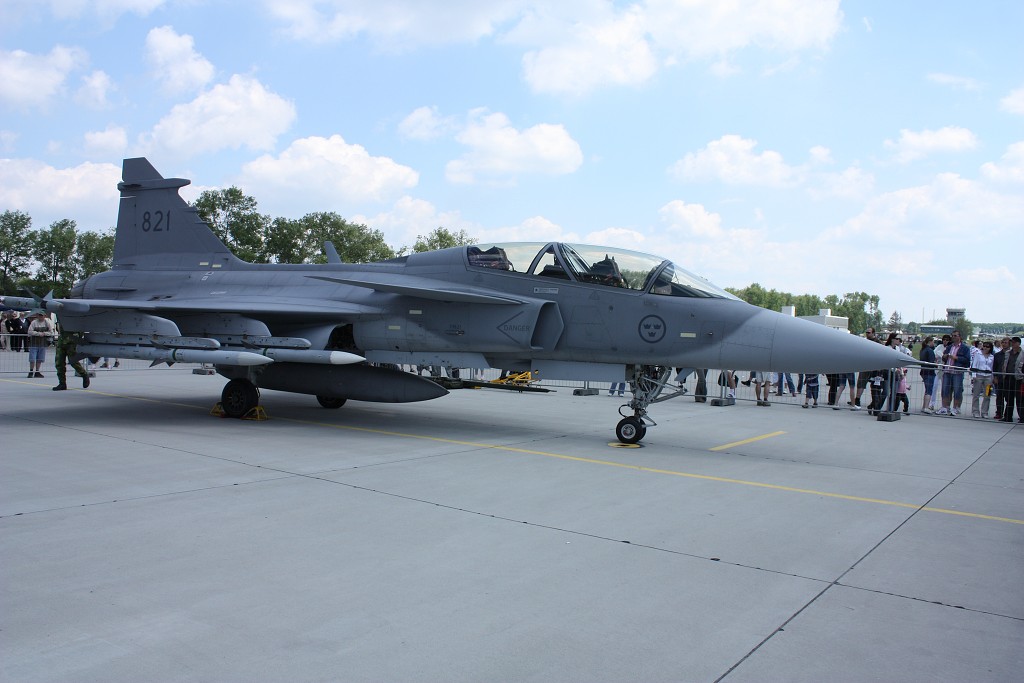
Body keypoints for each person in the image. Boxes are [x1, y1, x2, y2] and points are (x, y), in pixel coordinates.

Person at [937, 330, 970, 416]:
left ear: (960, 337)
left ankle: (956, 408)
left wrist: (956, 358)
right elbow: (944, 357)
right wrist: (944, 356)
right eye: (953, 336)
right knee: (945, 390)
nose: (954, 337)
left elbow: (967, 360)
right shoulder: (949, 347)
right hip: (947, 371)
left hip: (957, 372)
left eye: (956, 336)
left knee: (957, 390)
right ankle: (945, 407)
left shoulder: (965, 348)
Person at [53, 327, 90, 391]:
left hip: (72, 342)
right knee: (59, 363)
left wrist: (78, 338)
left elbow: (81, 330)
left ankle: (84, 374)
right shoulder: (60, 318)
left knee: (73, 361)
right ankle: (62, 383)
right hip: (62, 341)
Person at [852, 327, 879, 409]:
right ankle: (857, 399)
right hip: (864, 366)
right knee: (861, 383)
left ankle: (875, 402)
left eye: (869, 332)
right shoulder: (864, 341)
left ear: (873, 333)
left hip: (874, 367)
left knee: (875, 386)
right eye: (866, 332)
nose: (867, 334)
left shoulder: (878, 342)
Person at [25, 311, 55, 378]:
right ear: (37, 316)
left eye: (42, 315)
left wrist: (44, 334)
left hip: (42, 343)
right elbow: (30, 331)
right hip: (34, 343)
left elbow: (51, 332)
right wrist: (38, 334)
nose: (40, 317)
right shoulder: (34, 322)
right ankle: (31, 371)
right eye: (39, 315)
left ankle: (37, 371)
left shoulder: (47, 323)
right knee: (32, 358)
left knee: (40, 358)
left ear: (44, 316)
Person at [969, 340, 995, 418]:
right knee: (976, 395)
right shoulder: (978, 354)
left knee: (987, 395)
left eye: (987, 346)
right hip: (979, 376)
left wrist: (993, 377)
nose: (985, 348)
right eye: (984, 346)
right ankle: (975, 411)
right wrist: (974, 376)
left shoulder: (992, 356)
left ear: (990, 348)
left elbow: (992, 368)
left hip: (988, 376)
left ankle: (984, 412)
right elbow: (974, 365)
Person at [1002, 337, 1022, 423]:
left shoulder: (1022, 353)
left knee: (1019, 399)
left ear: (1018, 343)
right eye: (1011, 343)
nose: (1012, 344)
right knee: (1008, 398)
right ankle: (1007, 416)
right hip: (1008, 377)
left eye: (1014, 342)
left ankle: (1022, 417)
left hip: (1018, 379)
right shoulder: (1008, 353)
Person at [992, 337, 1010, 420]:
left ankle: (1007, 414)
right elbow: (995, 367)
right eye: (1003, 342)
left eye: (1006, 342)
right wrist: (995, 377)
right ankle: (999, 413)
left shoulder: (1012, 354)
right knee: (999, 397)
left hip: (1009, 379)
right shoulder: (997, 355)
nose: (1004, 344)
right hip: (999, 378)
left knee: (1008, 398)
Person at [919, 336, 937, 414]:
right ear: (930, 341)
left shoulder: (922, 350)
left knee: (927, 389)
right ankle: (926, 407)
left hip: (923, 371)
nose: (934, 343)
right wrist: (936, 364)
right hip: (929, 372)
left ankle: (924, 406)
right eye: (933, 341)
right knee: (929, 390)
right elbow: (931, 362)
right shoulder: (930, 350)